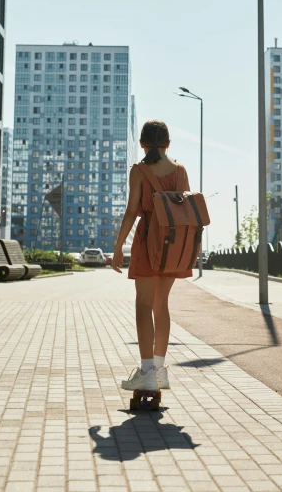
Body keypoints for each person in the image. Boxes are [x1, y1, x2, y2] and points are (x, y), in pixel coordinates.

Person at [112, 119, 192, 393]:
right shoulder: (180, 171)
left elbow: (131, 211)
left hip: (147, 244)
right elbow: (185, 212)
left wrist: (118, 246)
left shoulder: (138, 171)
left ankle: (146, 371)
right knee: (162, 306)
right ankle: (159, 369)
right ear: (168, 143)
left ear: (142, 144)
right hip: (173, 247)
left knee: (143, 306)